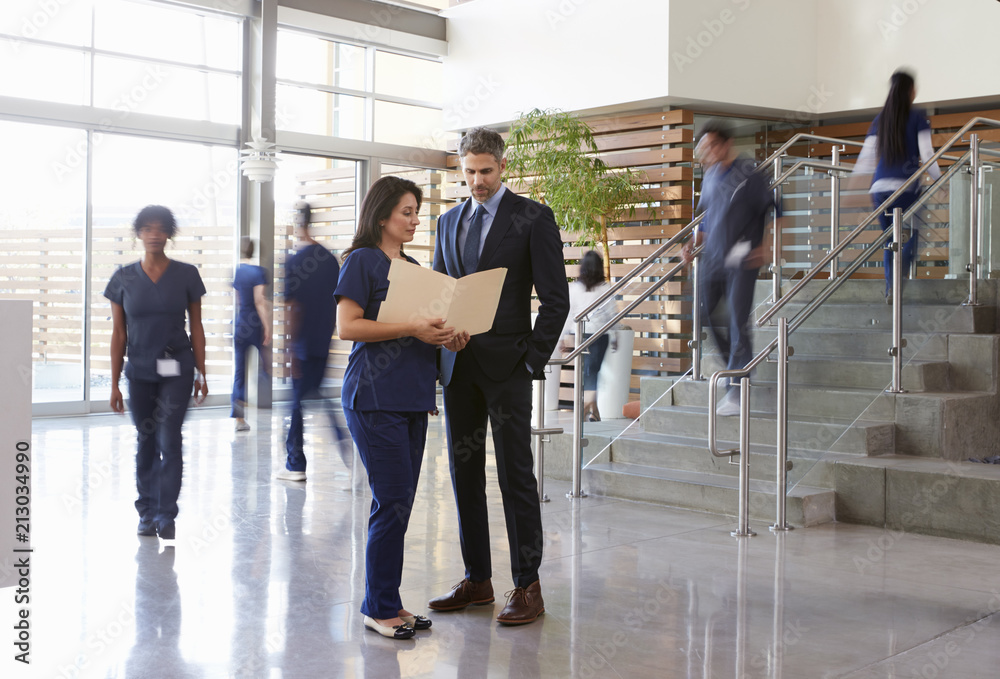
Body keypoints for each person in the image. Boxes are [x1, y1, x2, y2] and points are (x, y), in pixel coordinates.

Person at [429, 126, 569, 626]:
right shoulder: (447, 222)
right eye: (469, 172)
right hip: (459, 367)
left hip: (509, 368)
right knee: (463, 474)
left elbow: (556, 301)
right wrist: (443, 340)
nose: (478, 181)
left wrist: (531, 362)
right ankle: (478, 579)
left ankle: (527, 585)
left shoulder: (533, 217)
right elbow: (441, 294)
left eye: (486, 171)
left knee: (515, 477)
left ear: (503, 166)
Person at [336, 176, 464, 639]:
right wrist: (411, 325)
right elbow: (348, 326)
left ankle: (387, 599)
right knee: (391, 500)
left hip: (411, 400)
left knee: (400, 504)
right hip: (372, 398)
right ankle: (377, 607)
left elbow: (421, 334)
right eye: (406, 212)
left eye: (416, 212)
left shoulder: (411, 267)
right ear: (382, 214)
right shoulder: (362, 262)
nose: (413, 220)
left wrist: (450, 335)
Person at [105, 205, 208, 540]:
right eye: (147, 229)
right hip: (140, 370)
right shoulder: (123, 278)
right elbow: (119, 333)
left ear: (169, 233)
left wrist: (202, 373)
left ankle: (166, 515)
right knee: (146, 440)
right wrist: (114, 383)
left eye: (160, 228)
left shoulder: (187, 274)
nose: (153, 235)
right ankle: (146, 512)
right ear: (138, 233)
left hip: (177, 366)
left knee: (169, 439)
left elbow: (197, 326)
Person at [682, 118, 773, 417]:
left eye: (709, 146)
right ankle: (738, 368)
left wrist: (767, 247)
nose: (705, 153)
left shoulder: (749, 173)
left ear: (725, 144)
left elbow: (775, 209)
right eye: (703, 148)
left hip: (743, 259)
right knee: (703, 313)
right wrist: (692, 242)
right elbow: (705, 219)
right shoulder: (710, 177)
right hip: (713, 259)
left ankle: (737, 387)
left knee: (737, 318)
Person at [852, 69, 942, 301]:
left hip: (879, 190)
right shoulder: (917, 116)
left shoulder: (880, 119)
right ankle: (900, 275)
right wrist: (941, 180)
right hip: (906, 188)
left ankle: (890, 286)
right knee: (913, 234)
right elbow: (927, 153)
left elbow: (866, 157)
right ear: (911, 90)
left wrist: (854, 186)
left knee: (888, 239)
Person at [279, 201, 340, 482]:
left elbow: (292, 308)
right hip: (323, 341)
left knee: (296, 404)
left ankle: (295, 464)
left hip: (303, 344)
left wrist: (289, 348)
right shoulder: (330, 260)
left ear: (297, 224)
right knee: (315, 396)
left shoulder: (294, 262)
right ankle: (347, 448)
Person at [560, 250, 617, 422]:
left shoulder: (575, 288)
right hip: (600, 335)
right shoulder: (605, 288)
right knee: (592, 371)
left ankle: (589, 406)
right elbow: (611, 314)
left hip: (581, 335)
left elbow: (568, 313)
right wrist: (614, 337)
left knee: (588, 371)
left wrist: (562, 337)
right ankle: (592, 407)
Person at [231, 236, 272, 432]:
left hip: (240, 326)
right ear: (254, 250)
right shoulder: (259, 272)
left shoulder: (238, 272)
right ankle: (262, 400)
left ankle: (239, 418)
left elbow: (240, 300)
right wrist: (268, 327)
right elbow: (260, 301)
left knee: (240, 373)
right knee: (267, 365)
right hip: (255, 326)